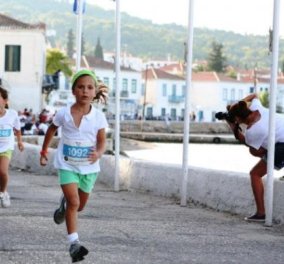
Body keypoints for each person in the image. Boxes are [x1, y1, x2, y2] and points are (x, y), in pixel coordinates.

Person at [39, 69, 108, 263]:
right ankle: (74, 244)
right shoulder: (64, 113)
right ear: (73, 91)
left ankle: (62, 209)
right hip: (67, 165)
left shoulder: (98, 117)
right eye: (80, 87)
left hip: (89, 169)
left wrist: (99, 153)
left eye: (89, 87)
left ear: (94, 92)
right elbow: (51, 130)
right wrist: (44, 151)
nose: (85, 91)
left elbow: (102, 141)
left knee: (80, 206)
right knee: (74, 202)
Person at [226, 93, 284, 222]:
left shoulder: (253, 131)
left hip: (283, 145)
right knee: (264, 147)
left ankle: (261, 213)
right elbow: (254, 95)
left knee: (255, 174)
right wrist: (239, 103)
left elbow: (248, 144)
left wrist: (233, 128)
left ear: (237, 118)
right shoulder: (258, 107)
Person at [0, 86, 24, 208]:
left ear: (5, 101)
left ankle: (3, 193)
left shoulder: (12, 114)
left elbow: (17, 130)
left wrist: (20, 142)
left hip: (6, 148)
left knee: (3, 171)